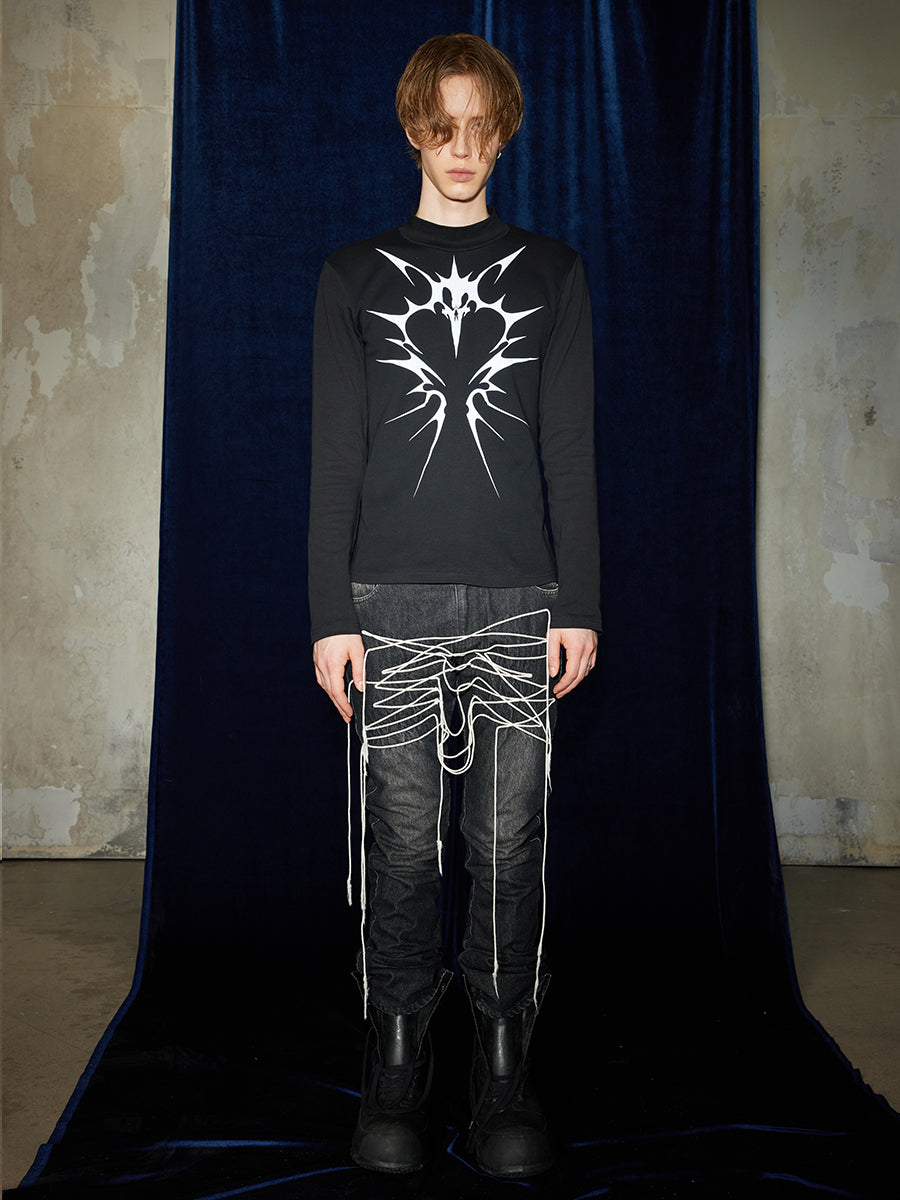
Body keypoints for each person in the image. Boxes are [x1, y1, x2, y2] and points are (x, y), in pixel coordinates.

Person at [308, 32, 600, 1178]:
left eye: (481, 128)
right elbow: (335, 458)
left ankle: (503, 1064)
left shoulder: (553, 272)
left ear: (505, 134)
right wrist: (330, 612)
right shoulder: (353, 274)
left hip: (522, 598)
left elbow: (569, 452)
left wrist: (579, 601)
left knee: (510, 842)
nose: (462, 148)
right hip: (388, 599)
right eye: (443, 127)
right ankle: (397, 1057)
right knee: (399, 843)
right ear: (412, 130)